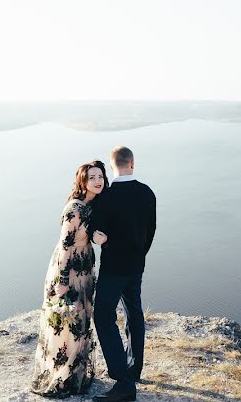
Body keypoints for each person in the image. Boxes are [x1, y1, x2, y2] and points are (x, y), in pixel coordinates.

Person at [30, 160, 109, 397]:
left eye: (101, 177)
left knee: (81, 322)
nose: (97, 181)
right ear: (82, 181)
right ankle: (60, 377)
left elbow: (91, 235)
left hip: (85, 270)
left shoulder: (95, 206)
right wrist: (62, 282)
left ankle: (76, 374)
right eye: (92, 177)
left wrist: (99, 239)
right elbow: (65, 247)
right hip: (68, 271)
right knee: (67, 323)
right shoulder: (74, 208)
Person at [91, 146, 157, 402]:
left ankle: (123, 381)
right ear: (132, 163)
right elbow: (150, 231)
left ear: (111, 165)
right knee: (133, 312)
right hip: (136, 265)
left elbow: (97, 233)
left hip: (113, 268)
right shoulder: (147, 193)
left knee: (103, 316)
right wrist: (138, 255)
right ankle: (134, 369)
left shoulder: (106, 197)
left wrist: (106, 240)